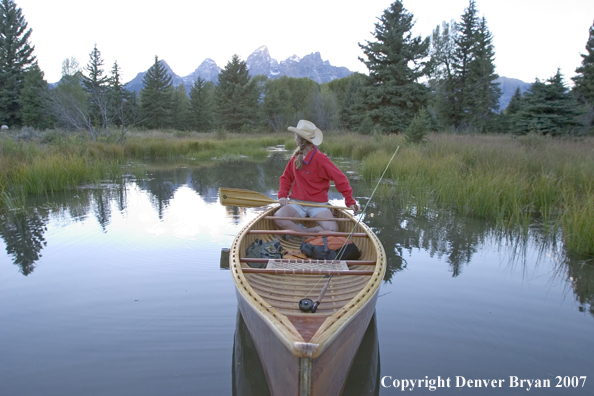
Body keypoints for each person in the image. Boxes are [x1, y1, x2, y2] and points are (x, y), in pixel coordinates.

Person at [274, 120, 359, 234]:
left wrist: (350, 200)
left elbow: (341, 179)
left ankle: (301, 232)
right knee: (278, 217)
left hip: (318, 205)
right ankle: (306, 234)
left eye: (296, 136)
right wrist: (283, 194)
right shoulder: (295, 158)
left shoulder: (321, 159)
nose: (295, 139)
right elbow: (286, 177)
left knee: (333, 230)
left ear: (299, 140)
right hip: (297, 203)